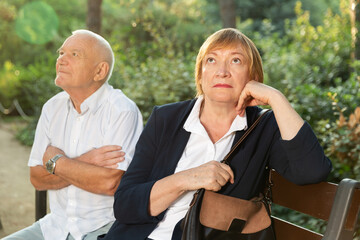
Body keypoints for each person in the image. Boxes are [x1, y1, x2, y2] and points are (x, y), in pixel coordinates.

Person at [101, 28, 332, 240]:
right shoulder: (166, 118)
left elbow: (312, 171)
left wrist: (276, 99)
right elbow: (125, 205)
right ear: (201, 74)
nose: (222, 72)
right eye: (211, 60)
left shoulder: (264, 127)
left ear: (253, 76)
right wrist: (187, 178)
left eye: (236, 61)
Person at [3, 30, 143, 240]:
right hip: (54, 227)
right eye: (61, 53)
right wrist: (86, 161)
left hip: (103, 228)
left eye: (74, 54)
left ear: (100, 71)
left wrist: (55, 162)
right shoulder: (52, 107)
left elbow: (110, 183)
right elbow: (37, 178)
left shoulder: (122, 110)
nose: (61, 59)